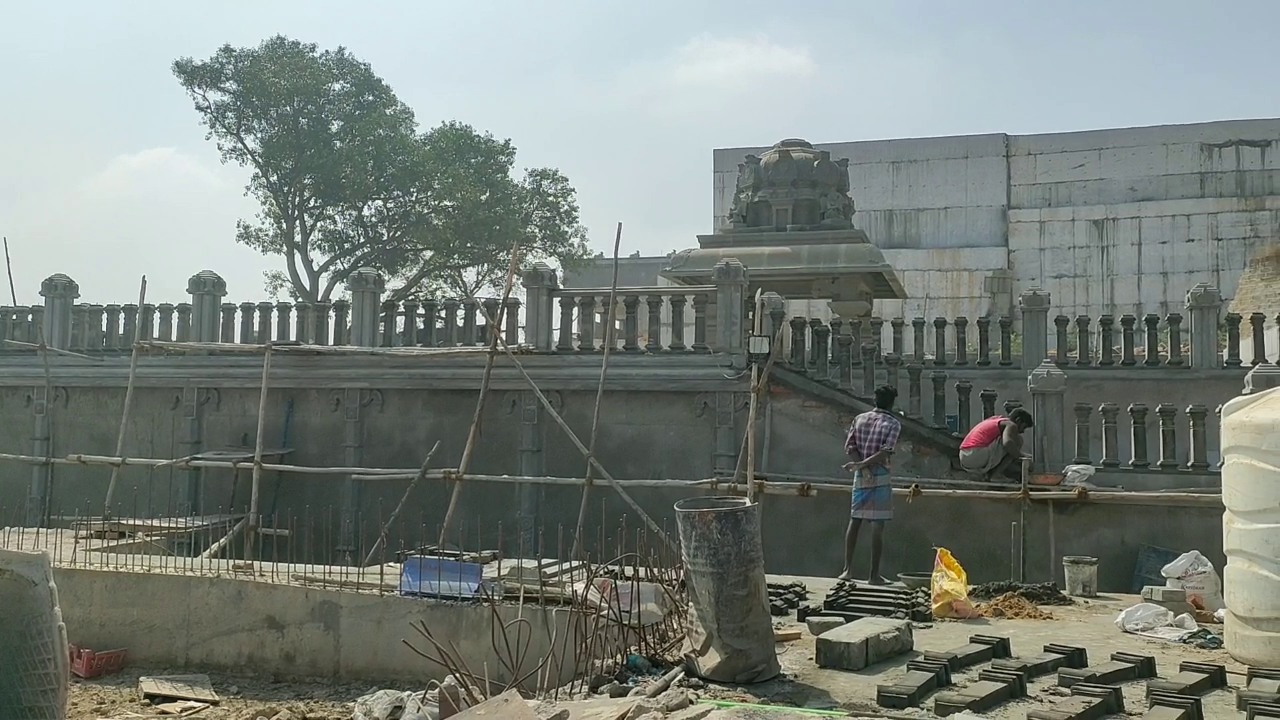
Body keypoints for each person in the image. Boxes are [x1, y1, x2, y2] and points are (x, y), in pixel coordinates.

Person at [838, 385, 901, 584]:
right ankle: (874, 576)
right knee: (877, 525)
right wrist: (865, 466)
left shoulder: (860, 418)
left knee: (855, 519)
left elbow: (850, 446)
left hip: (860, 475)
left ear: (875, 400)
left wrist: (861, 467)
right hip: (880, 474)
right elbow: (885, 451)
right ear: (892, 403)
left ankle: (847, 570)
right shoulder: (893, 423)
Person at [959, 408, 1035, 481]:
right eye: (1024, 427)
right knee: (1017, 440)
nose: (1022, 431)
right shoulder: (1011, 425)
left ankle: (993, 473)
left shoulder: (996, 419)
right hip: (974, 454)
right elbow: (1007, 443)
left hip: (964, 454)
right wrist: (1023, 458)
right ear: (1018, 420)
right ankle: (997, 475)